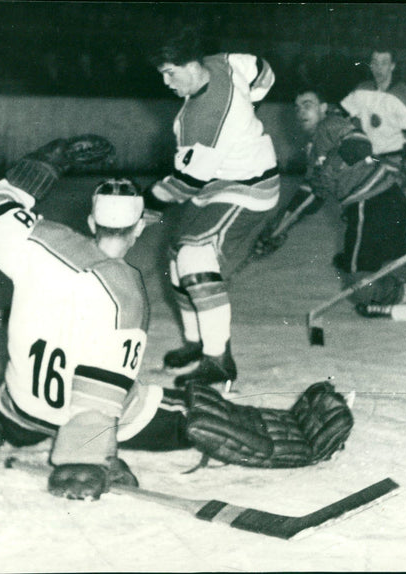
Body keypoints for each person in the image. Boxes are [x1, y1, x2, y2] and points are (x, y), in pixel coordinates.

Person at [0, 137, 354, 498]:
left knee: (30, 391)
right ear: (140, 227)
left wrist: (49, 159)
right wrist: (85, 461)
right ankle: (296, 433)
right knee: (195, 414)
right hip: (75, 416)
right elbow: (100, 396)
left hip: (24, 405)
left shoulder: (36, 242)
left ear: (90, 220)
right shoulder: (125, 293)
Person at [148, 27, 280, 389]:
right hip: (220, 184)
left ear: (192, 65)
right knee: (176, 260)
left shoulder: (206, 117)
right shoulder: (222, 63)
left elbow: (185, 184)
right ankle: (197, 341)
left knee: (195, 257)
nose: (165, 82)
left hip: (247, 187)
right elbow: (261, 69)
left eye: (170, 72)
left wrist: (147, 199)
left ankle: (218, 359)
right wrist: (252, 105)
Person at [252, 87, 401, 275]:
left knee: (359, 277)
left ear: (323, 107)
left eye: (308, 105)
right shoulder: (313, 148)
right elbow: (313, 192)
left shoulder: (330, 123)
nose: (301, 112)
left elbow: (360, 143)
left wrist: (332, 165)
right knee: (387, 267)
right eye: (297, 108)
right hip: (381, 201)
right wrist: (281, 225)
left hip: (369, 202)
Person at [334, 48, 406, 279]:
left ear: (393, 65)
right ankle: (364, 262)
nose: (378, 67)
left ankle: (377, 261)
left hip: (391, 163)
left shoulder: (405, 95)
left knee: (384, 209)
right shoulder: (361, 90)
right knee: (373, 210)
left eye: (384, 62)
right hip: (366, 160)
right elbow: (339, 115)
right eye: (374, 62)